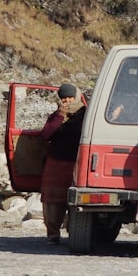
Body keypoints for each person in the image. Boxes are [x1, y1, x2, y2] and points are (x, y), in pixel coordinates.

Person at [40, 83, 84, 244]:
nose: (67, 101)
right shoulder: (56, 116)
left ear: (76, 97)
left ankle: (76, 233)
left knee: (76, 199)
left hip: (76, 163)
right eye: (63, 98)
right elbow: (45, 135)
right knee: (52, 201)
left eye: (70, 97)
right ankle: (52, 234)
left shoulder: (85, 115)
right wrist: (59, 116)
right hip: (55, 163)